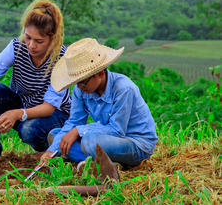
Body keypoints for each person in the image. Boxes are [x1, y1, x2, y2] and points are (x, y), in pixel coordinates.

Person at [0, 0, 71, 161]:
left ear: (52, 39)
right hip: (22, 109)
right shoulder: (16, 47)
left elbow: (49, 108)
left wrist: (17, 113)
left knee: (28, 130)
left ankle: (51, 151)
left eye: (39, 41)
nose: (31, 45)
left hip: (54, 116)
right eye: (28, 37)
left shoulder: (61, 59)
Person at [40, 38, 158, 168]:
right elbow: (74, 121)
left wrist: (77, 131)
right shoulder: (82, 90)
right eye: (76, 82)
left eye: (82, 82)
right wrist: (51, 151)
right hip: (107, 139)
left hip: (136, 144)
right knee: (56, 137)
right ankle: (108, 163)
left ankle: (101, 161)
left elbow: (116, 130)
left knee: (90, 142)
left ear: (100, 74)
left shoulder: (124, 89)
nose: (79, 87)